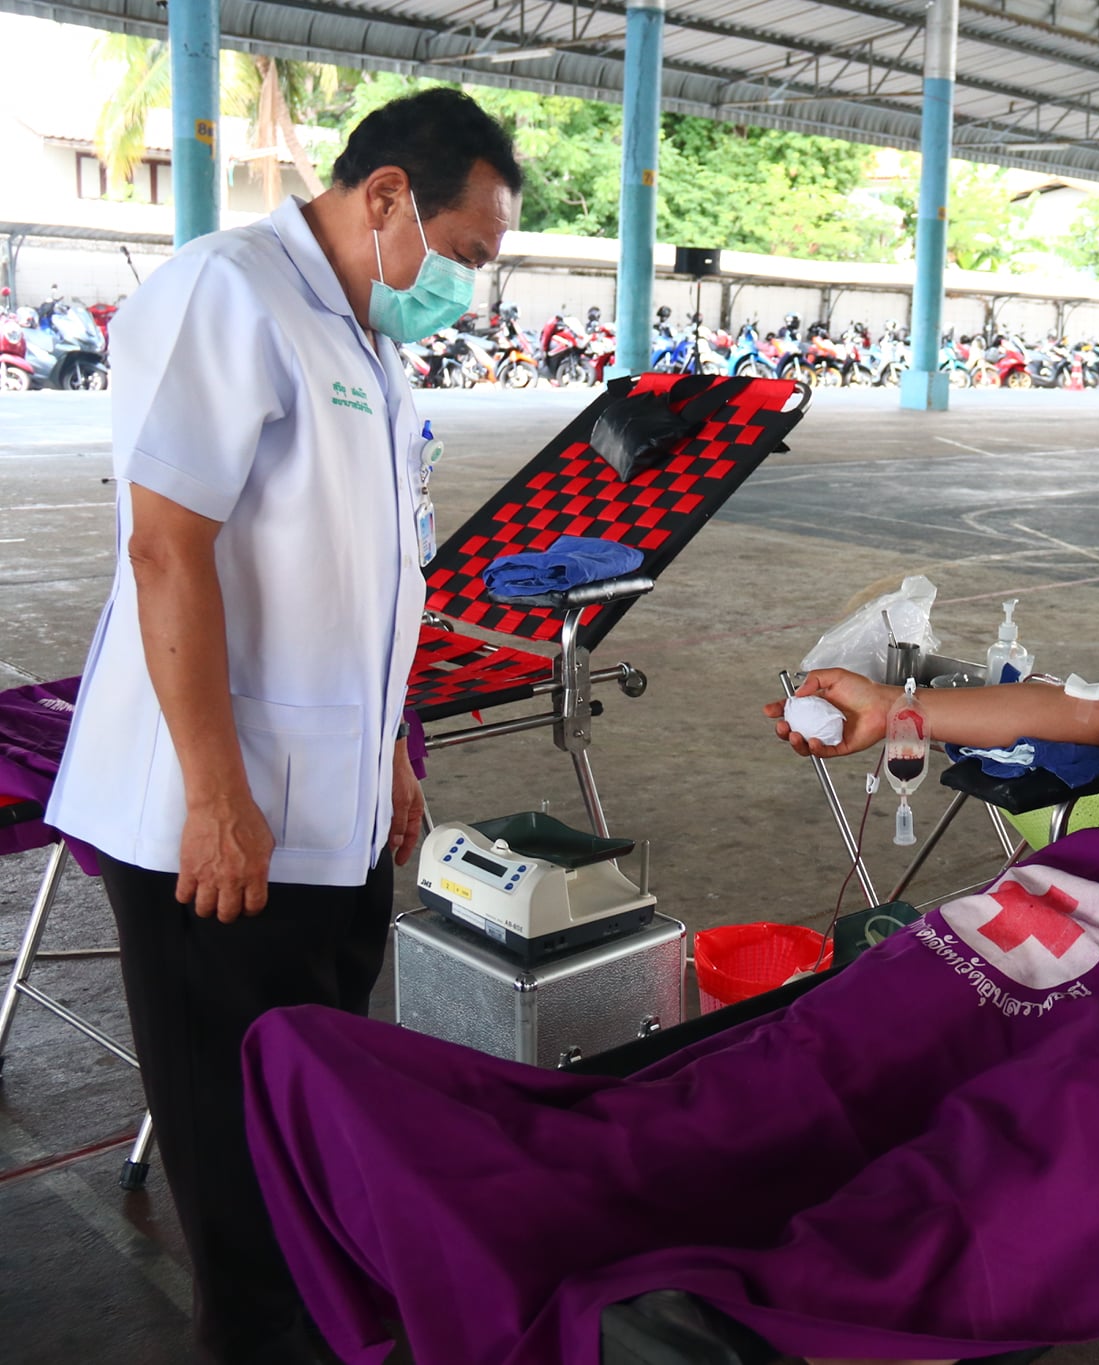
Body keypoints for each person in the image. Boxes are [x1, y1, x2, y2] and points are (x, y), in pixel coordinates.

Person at [238, 523, 1099, 1365]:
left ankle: (775, 1330)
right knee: (836, 1044)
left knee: (1086, 1126)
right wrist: (895, 716)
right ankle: (542, 1195)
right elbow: (1083, 714)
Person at [45, 88, 521, 1364]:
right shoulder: (231, 294)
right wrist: (213, 796)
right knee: (239, 1167)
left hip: (330, 816)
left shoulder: (363, 337)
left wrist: (391, 758)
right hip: (219, 826)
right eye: (464, 254)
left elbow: (366, 575)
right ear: (386, 197)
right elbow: (167, 547)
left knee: (314, 1130)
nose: (467, 288)